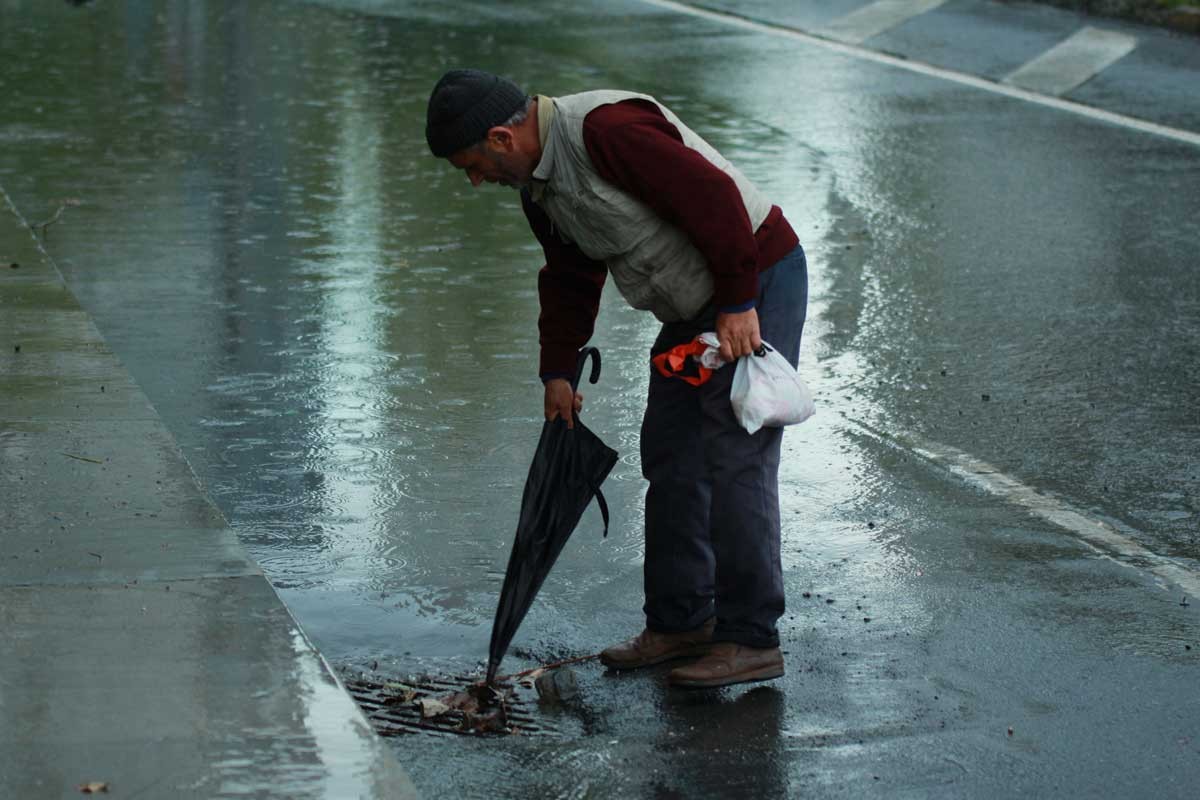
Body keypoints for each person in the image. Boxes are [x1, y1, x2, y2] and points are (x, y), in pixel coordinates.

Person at [426, 69, 807, 689]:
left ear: (500, 137)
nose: (475, 181)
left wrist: (740, 301)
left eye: (472, 165)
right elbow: (571, 276)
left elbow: (714, 197)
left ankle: (751, 638)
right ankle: (682, 623)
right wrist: (557, 369)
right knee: (671, 453)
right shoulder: (540, 188)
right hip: (692, 305)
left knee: (735, 457)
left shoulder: (605, 131)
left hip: (756, 276)